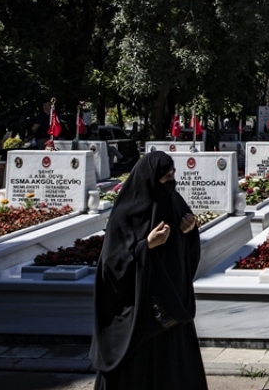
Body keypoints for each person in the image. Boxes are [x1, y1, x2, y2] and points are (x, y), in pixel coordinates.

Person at [91, 150, 205, 390]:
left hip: (171, 309)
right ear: (150, 178)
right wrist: (146, 246)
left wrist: (190, 228)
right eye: (165, 177)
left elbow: (185, 246)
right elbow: (112, 266)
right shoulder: (126, 212)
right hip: (141, 312)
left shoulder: (174, 200)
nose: (170, 181)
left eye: (173, 174)